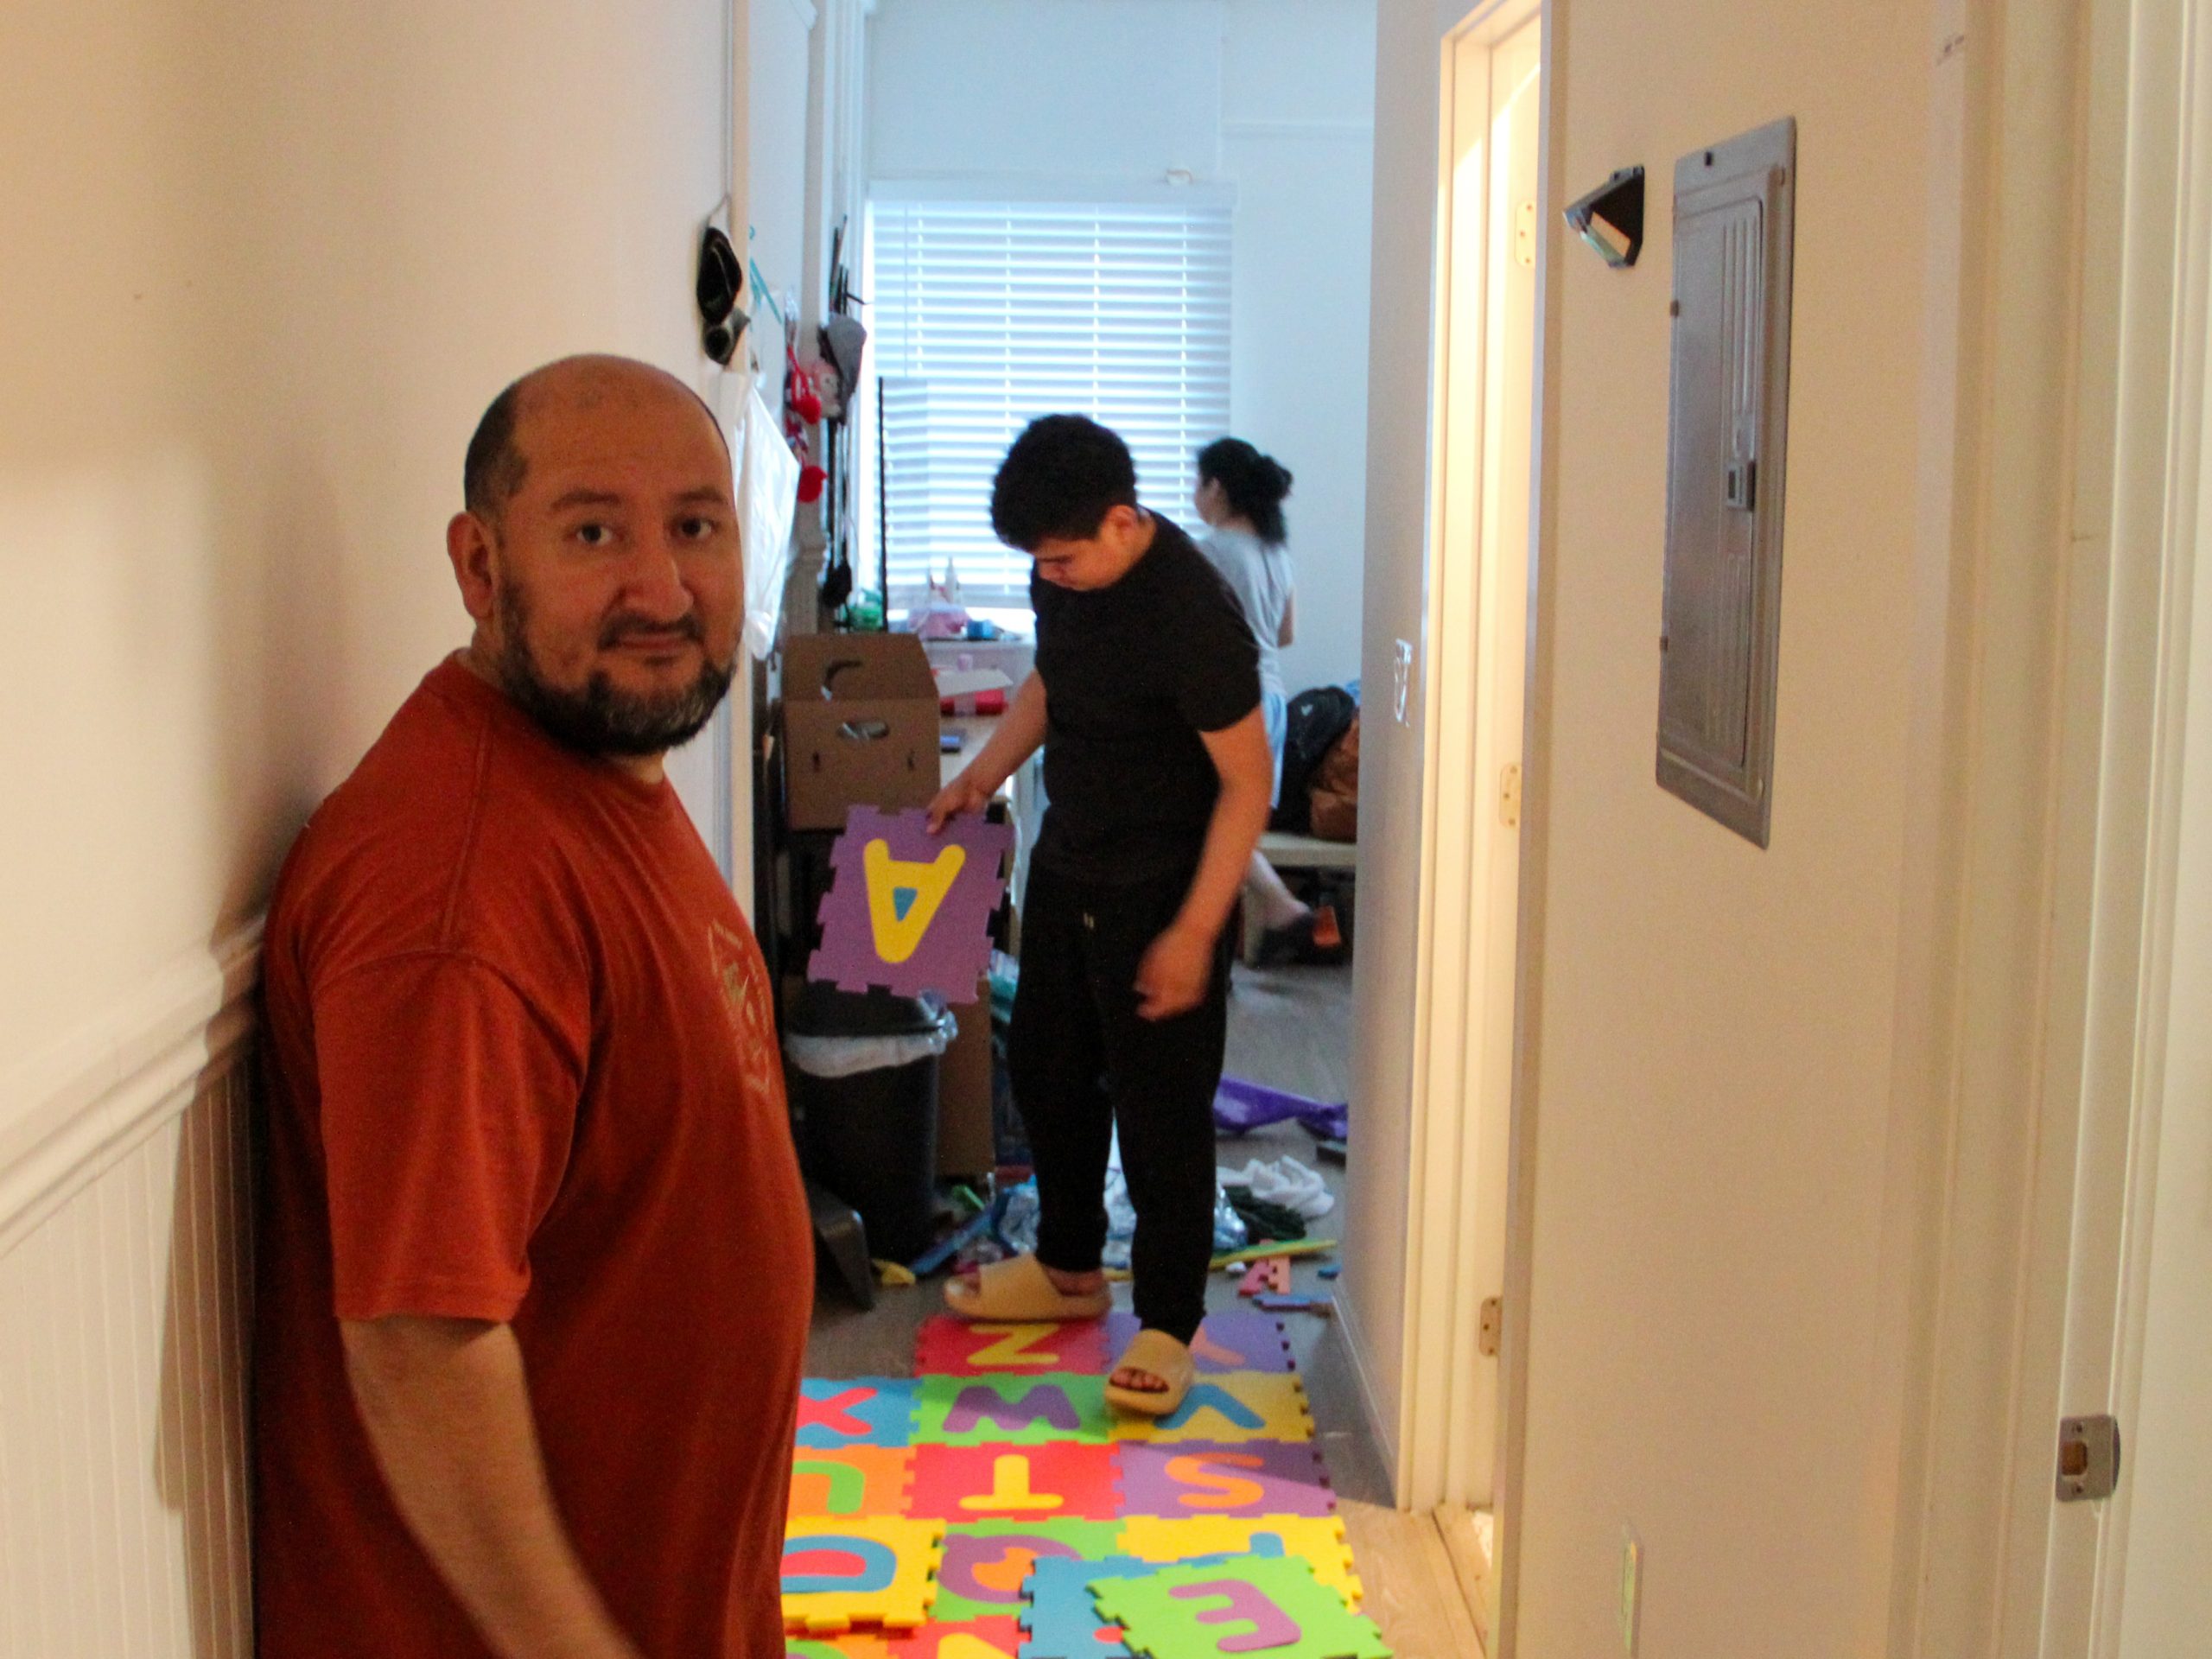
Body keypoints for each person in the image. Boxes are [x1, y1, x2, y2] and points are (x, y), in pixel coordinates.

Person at [253, 354, 811, 1659]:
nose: (661, 589)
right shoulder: (456, 892)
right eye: (593, 531)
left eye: (696, 526)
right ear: (480, 565)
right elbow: (419, 1343)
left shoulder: (597, 778)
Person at [927, 415, 1274, 1415]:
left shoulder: (1193, 615)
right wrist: (977, 777)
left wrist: (1195, 933)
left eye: (1065, 557)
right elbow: (1052, 680)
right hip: (1070, 864)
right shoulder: (1064, 572)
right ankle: (1070, 1269)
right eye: (1041, 562)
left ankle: (1168, 1323)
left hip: (1166, 885)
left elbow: (1247, 786)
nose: (1052, 575)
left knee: (1161, 1110)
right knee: (1046, 1071)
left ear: (1125, 523)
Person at [1192, 438, 1340, 962]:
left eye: (1197, 483)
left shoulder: (1209, 551)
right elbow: (1285, 633)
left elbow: (1189, 632)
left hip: (1229, 702)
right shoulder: (1277, 554)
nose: (1193, 496)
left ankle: (1283, 909)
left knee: (1210, 820)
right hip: (1273, 700)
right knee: (1233, 820)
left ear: (1217, 487)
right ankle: (1251, 931)